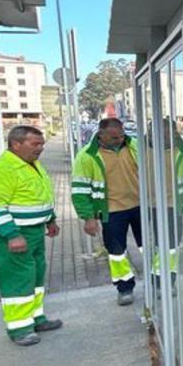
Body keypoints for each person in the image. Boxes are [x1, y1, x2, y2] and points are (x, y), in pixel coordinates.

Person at [0, 125, 63, 346]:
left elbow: (39, 196)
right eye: (35, 144)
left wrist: (50, 219)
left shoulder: (31, 165)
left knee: (35, 274)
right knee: (17, 277)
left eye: (42, 144)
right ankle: (19, 328)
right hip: (15, 233)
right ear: (16, 144)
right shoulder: (2, 169)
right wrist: (12, 235)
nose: (41, 148)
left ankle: (36, 318)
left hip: (34, 230)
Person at [72, 118, 143, 305]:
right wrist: (88, 218)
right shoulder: (86, 156)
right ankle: (125, 288)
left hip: (140, 206)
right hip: (112, 211)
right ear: (101, 134)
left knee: (150, 247)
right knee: (116, 252)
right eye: (113, 137)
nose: (119, 139)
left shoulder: (134, 145)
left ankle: (159, 281)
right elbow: (80, 190)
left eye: (121, 135)